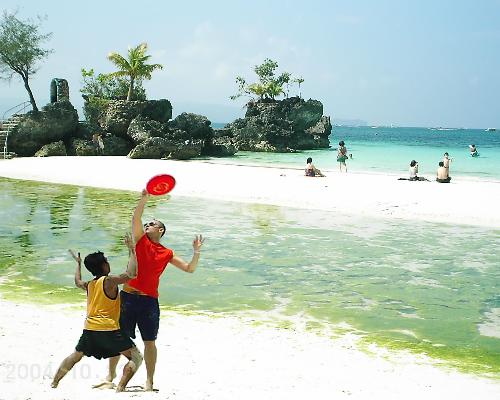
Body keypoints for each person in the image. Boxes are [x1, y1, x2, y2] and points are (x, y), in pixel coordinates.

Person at [106, 189, 205, 392]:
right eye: (147, 224)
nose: (147, 225)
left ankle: (149, 381)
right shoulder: (140, 241)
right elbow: (136, 216)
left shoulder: (167, 253)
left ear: (160, 230)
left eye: (152, 224)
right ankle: (110, 376)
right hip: (127, 298)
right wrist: (144, 199)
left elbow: (189, 269)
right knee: (118, 337)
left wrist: (196, 252)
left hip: (149, 301)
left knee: (149, 342)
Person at [51, 234, 142, 392]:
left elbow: (77, 282)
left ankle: (54, 382)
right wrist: (131, 249)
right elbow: (132, 274)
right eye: (106, 260)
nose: (108, 262)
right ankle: (120, 388)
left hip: (90, 329)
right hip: (109, 329)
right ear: (104, 266)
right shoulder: (109, 281)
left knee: (75, 356)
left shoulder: (90, 284)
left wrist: (78, 264)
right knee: (136, 358)